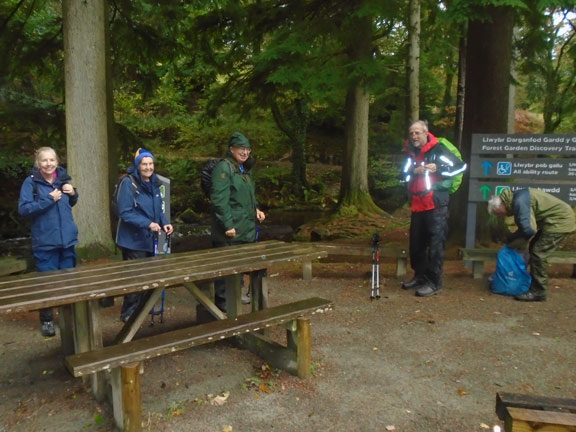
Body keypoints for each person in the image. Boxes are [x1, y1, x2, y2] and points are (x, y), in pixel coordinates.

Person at [400, 120, 467, 297]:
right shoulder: (409, 152)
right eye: (411, 133)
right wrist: (414, 172)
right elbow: (402, 175)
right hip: (417, 204)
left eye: (417, 133)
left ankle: (434, 281)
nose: (414, 136)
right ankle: (420, 276)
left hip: (436, 203)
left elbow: (460, 167)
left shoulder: (439, 149)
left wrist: (439, 168)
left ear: (425, 133)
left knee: (436, 244)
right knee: (416, 244)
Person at [18, 147, 79, 337]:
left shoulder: (63, 180)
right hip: (45, 243)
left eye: (52, 160)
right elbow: (24, 209)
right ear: (38, 163)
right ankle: (47, 320)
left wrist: (73, 193)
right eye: (44, 160)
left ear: (57, 161)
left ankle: (69, 320)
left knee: (68, 283)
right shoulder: (31, 183)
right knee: (47, 284)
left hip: (67, 241)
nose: (48, 163)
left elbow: (69, 204)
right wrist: (48, 199)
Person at [115, 148, 174, 322]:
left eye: (150, 164)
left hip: (149, 239)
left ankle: (141, 309)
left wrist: (165, 223)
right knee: (135, 278)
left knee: (148, 276)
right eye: (144, 164)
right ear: (138, 165)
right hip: (132, 241)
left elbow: (157, 209)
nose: (148, 167)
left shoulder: (154, 183)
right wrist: (148, 224)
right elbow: (125, 212)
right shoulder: (129, 183)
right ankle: (128, 313)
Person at [487, 188, 575, 301]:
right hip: (554, 221)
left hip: (560, 222)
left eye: (499, 213)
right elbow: (526, 228)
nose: (503, 216)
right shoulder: (516, 198)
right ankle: (525, 279)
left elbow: (528, 230)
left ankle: (538, 292)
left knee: (538, 253)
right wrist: (514, 241)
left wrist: (512, 240)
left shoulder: (519, 202)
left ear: (502, 205)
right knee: (534, 247)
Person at [210, 132, 265, 311]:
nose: (245, 152)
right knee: (225, 273)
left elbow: (245, 196)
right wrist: (228, 225)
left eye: (247, 149)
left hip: (245, 229)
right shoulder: (224, 168)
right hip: (230, 232)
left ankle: (234, 310)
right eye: (241, 148)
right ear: (231, 149)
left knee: (239, 270)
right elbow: (219, 200)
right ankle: (223, 312)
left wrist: (256, 209)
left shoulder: (244, 170)